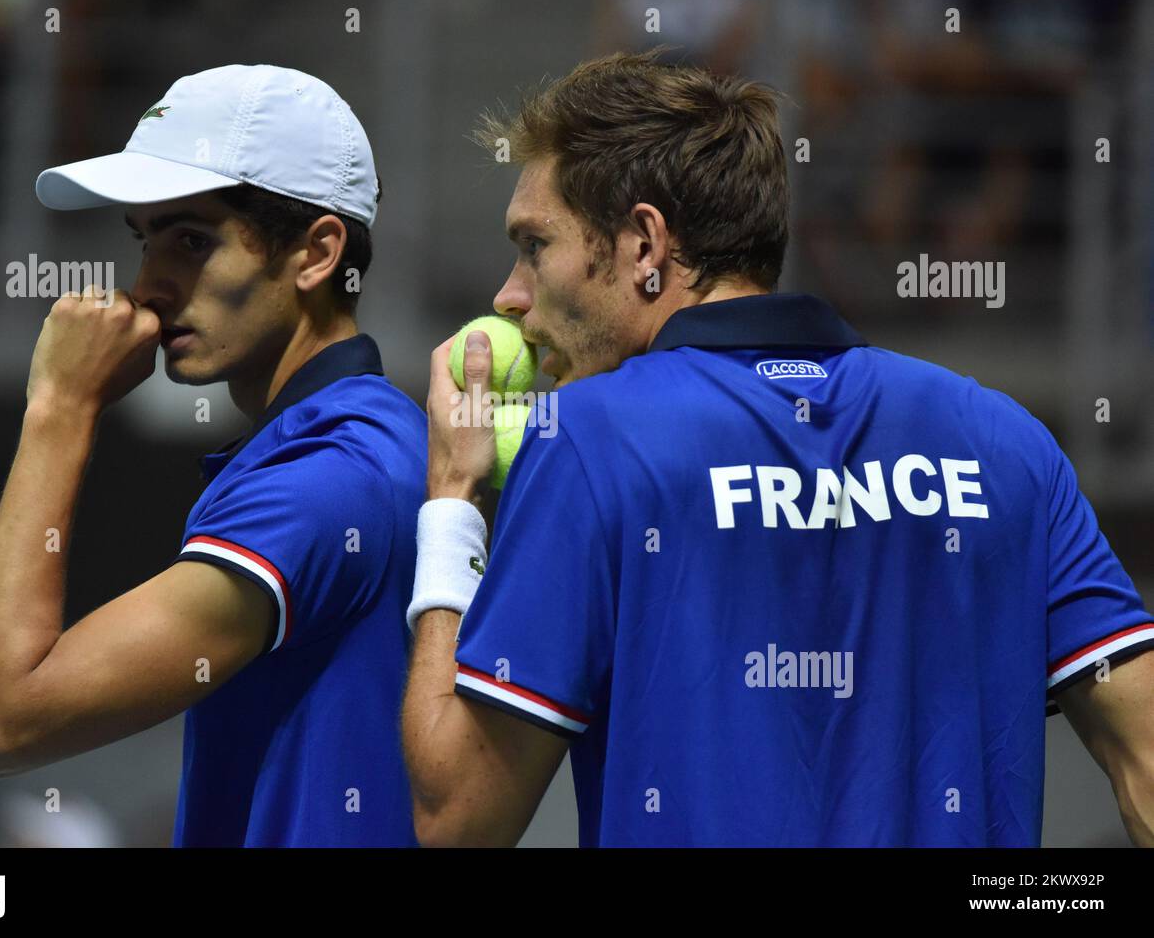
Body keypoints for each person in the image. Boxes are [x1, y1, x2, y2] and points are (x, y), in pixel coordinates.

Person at [401, 51, 1154, 847]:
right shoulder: (1004, 440)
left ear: (646, 246)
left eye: (534, 245)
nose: (509, 296)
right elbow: (1144, 758)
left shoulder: (589, 440)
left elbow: (455, 819)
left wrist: (451, 501)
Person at [0, 65, 426, 847]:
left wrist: (60, 408)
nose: (148, 287)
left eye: (192, 240)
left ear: (316, 253)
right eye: (145, 241)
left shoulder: (331, 480)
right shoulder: (352, 445)